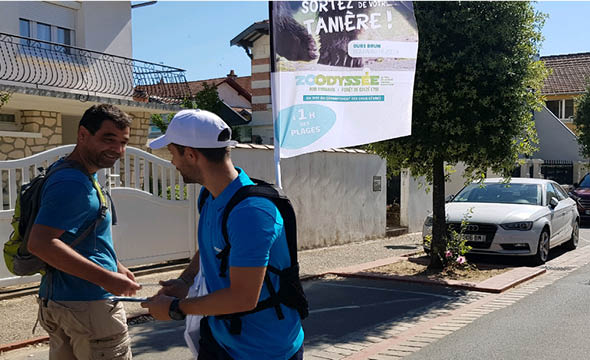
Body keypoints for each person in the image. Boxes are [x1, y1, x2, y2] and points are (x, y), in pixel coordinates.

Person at [142, 109, 304, 359]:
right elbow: (211, 245)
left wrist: (175, 309)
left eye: (172, 153)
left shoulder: (251, 213)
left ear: (191, 154)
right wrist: (185, 281)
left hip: (264, 350)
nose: (172, 161)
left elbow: (243, 297)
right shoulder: (210, 196)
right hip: (219, 337)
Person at [28, 104, 141, 360]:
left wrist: (117, 266)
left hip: (61, 301)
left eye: (123, 142)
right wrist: (107, 278)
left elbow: (80, 237)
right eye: (108, 139)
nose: (118, 149)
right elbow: (41, 243)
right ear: (82, 135)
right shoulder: (73, 183)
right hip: (88, 306)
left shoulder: (68, 173)